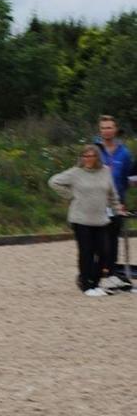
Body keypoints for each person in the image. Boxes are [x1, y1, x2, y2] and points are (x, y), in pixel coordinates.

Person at [49, 145, 124, 297]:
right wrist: (71, 195)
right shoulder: (75, 173)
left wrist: (117, 209)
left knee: (104, 252)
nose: (88, 159)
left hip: (101, 219)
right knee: (86, 252)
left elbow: (112, 193)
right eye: (85, 156)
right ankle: (86, 285)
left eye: (91, 156)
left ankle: (95, 283)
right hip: (81, 219)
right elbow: (54, 182)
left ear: (97, 157)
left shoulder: (105, 171)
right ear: (81, 158)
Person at [92, 114, 133, 286]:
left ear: (115, 129)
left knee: (113, 239)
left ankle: (112, 272)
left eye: (109, 127)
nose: (107, 131)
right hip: (95, 201)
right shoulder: (93, 150)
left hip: (116, 202)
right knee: (97, 239)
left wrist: (122, 201)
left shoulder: (124, 153)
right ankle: (97, 271)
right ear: (99, 130)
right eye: (103, 128)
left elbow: (126, 178)